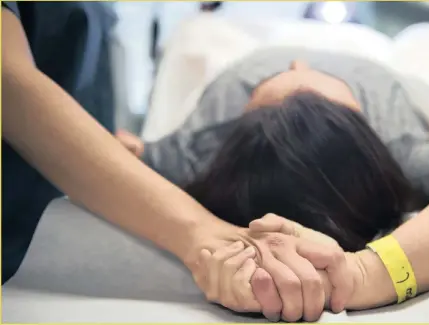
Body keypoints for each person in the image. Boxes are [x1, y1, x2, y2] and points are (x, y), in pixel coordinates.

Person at [119, 47, 429, 311]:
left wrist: (368, 273)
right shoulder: (202, 154)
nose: (298, 69)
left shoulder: (195, 151)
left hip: (366, 51)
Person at [2, 3, 354, 322]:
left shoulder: (402, 135)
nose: (298, 67)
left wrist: (361, 271)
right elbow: (8, 81)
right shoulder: (205, 138)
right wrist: (207, 235)